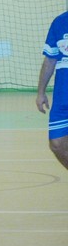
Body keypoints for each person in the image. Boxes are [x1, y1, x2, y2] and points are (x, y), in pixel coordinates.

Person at [36, 10, 68, 169]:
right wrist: (40, 92)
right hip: (62, 98)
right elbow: (50, 60)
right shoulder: (59, 22)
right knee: (56, 144)